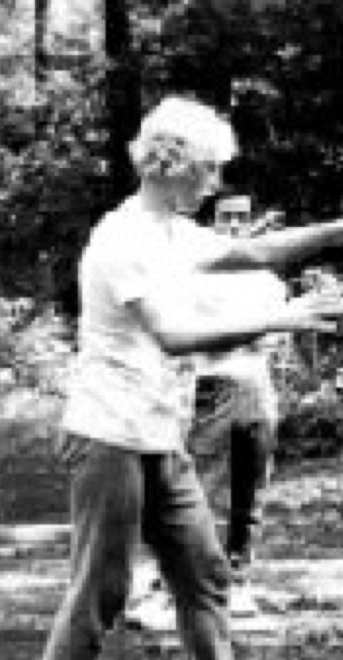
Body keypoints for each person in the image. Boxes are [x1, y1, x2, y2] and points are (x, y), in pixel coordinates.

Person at [17, 95, 343, 660]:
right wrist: (283, 319)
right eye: (209, 168)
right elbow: (172, 335)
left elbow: (254, 250)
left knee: (204, 570)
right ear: (173, 165)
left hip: (159, 433)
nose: (216, 182)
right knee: (101, 588)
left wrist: (341, 227)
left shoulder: (175, 231)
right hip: (109, 431)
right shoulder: (122, 237)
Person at [124, 194, 286, 626]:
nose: (234, 225)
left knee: (250, 492)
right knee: (200, 490)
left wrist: (235, 332)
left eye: (241, 218)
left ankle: (237, 580)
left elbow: (270, 336)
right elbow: (185, 334)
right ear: (212, 222)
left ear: (252, 223)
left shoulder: (266, 278)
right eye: (226, 217)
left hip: (257, 384)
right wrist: (238, 332)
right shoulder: (193, 275)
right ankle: (176, 587)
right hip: (209, 387)